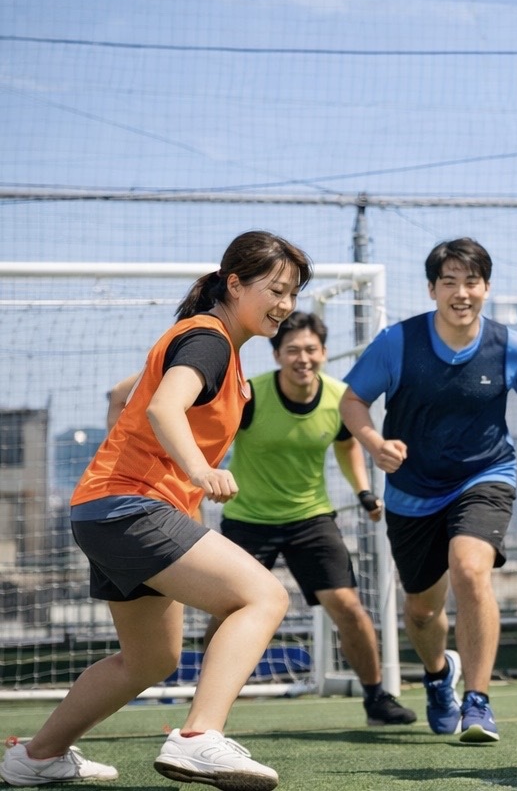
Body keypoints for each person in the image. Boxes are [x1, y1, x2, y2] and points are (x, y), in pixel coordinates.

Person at [1, 231, 310, 790]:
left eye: (293, 294)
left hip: (104, 510)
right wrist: (199, 470)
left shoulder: (218, 350)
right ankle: (198, 739)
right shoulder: (209, 339)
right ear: (234, 283)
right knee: (264, 596)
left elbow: (136, 395)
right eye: (277, 290)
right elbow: (167, 405)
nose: (286, 305)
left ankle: (36, 757)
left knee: (150, 660)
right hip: (130, 506)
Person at [340, 237, 517, 744]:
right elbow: (353, 399)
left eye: (471, 281)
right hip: (411, 491)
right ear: (432, 289)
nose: (461, 292)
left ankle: (478, 700)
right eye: (449, 281)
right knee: (422, 611)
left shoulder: (509, 345)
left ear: (486, 287)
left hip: (484, 475)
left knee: (471, 569)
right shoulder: (397, 342)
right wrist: (373, 441)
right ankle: (436, 675)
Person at [204, 311, 415, 727]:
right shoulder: (251, 396)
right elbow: (212, 440)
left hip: (310, 517)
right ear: (277, 354)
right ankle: (206, 704)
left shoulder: (340, 398)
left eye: (311, 349)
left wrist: (364, 492)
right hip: (249, 519)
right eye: (293, 350)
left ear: (324, 352)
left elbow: (347, 445)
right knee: (228, 612)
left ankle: (376, 699)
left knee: (349, 607)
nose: (304, 358)